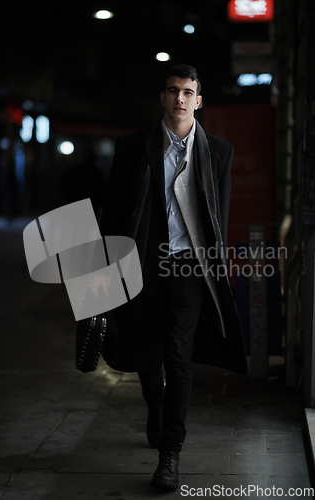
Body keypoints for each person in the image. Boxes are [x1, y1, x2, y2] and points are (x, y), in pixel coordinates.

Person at [94, 64, 247, 490]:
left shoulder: (219, 152)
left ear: (198, 101)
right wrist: (101, 276)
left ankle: (170, 454)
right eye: (172, 91)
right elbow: (113, 215)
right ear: (162, 98)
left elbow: (219, 218)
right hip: (141, 263)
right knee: (144, 349)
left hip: (189, 267)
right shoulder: (131, 148)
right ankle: (155, 403)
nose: (179, 98)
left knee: (178, 356)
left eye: (187, 92)